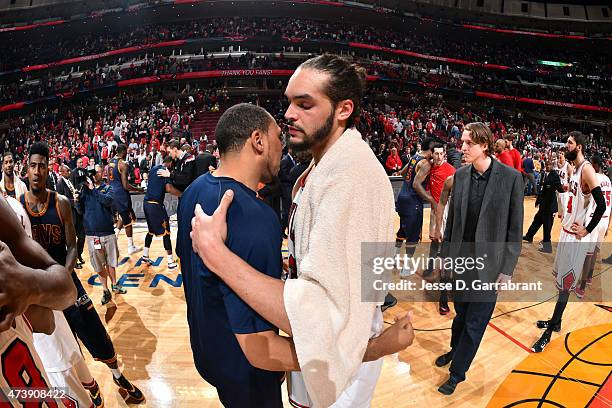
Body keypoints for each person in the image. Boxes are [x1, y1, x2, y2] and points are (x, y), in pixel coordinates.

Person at [189, 56, 414, 407]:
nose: (290, 114)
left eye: (304, 104)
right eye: (290, 102)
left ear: (343, 110)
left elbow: (327, 317)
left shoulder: (351, 177)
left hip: (336, 356)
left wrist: (217, 254)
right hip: (317, 345)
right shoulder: (324, 165)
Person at [20, 143, 144, 403]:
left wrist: (65, 274)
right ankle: (89, 386)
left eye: (42, 166)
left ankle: (117, 375)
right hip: (40, 289)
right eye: (33, 165)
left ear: (48, 168)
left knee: (95, 332)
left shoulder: (60, 202)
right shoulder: (18, 209)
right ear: (26, 167)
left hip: (65, 279)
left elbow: (73, 244)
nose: (37, 171)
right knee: (62, 347)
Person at [436, 122, 523, 395]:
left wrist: (507, 269)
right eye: (461, 142)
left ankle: (457, 373)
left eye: (467, 143)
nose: (461, 148)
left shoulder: (510, 178)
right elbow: (451, 225)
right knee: (461, 315)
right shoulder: (460, 176)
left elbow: (515, 229)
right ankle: (454, 350)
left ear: (484, 145)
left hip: (490, 265)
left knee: (475, 322)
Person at [8, 193, 103, 408]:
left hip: (38, 334)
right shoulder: (13, 205)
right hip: (43, 318)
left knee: (63, 378)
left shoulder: (13, 207)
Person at [531, 132, 607, 352]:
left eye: (570, 143)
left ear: (580, 147)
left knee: (565, 286)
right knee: (560, 282)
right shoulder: (574, 169)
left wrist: (587, 229)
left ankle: (548, 333)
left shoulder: (588, 170)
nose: (567, 146)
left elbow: (601, 205)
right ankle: (556, 322)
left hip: (576, 238)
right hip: (565, 232)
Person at [0, 193, 76, 406]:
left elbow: (48, 319)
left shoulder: (57, 202)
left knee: (72, 365)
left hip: (30, 392)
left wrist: (30, 286)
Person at [81, 164, 127, 304]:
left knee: (111, 262)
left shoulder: (109, 188)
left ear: (102, 173)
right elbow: (79, 209)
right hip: (93, 235)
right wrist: (77, 199)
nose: (95, 175)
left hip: (107, 232)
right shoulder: (85, 190)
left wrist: (93, 190)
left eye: (97, 172)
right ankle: (105, 290)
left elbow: (107, 201)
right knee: (99, 265)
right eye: (93, 172)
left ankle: (114, 285)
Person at [395, 139, 434, 277]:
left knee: (403, 229)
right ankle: (406, 268)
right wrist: (431, 199)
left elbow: (402, 173)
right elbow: (416, 185)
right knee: (413, 236)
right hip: (413, 201)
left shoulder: (414, 157)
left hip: (402, 197)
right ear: (430, 151)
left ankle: (394, 256)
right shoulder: (425, 164)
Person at [142, 156, 182, 268]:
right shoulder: (165, 171)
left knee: (150, 230)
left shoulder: (154, 168)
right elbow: (169, 189)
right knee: (166, 231)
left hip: (146, 203)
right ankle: (170, 261)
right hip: (156, 205)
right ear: (169, 163)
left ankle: (145, 255)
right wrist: (182, 194)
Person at [578, 155, 611, 291]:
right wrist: (608, 224)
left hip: (595, 219)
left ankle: (582, 287)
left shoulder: (594, 177)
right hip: (605, 219)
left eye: (591, 164)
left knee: (588, 255)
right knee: (595, 252)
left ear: (595, 166)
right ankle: (590, 278)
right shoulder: (608, 180)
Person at [424, 143, 455, 278]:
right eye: (436, 153)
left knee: (447, 240)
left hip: (446, 208)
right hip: (434, 209)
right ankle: (430, 267)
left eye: (441, 153)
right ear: (432, 154)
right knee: (434, 239)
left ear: (444, 154)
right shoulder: (428, 166)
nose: (439, 156)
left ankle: (447, 271)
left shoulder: (450, 169)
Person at [523, 160, 565, 253]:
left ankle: (547, 247)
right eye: (546, 164)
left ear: (553, 166)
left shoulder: (554, 175)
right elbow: (542, 190)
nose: (547, 166)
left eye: (549, 164)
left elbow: (559, 188)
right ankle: (529, 236)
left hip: (549, 207)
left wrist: (565, 188)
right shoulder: (544, 174)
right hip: (543, 204)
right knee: (537, 221)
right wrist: (538, 201)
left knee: (547, 226)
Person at [109, 144, 144, 255]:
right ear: (123, 151)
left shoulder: (110, 161)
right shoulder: (123, 164)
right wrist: (138, 190)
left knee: (122, 216)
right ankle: (130, 246)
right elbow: (125, 185)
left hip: (112, 192)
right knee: (128, 220)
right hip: (121, 194)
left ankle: (115, 237)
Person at [56, 164, 86, 269]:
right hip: (69, 213)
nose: (70, 172)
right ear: (62, 172)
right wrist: (73, 201)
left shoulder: (70, 181)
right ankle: (73, 262)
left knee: (82, 235)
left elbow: (72, 193)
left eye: (69, 170)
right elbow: (59, 199)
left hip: (77, 211)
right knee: (71, 240)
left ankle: (78, 255)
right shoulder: (60, 183)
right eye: (67, 171)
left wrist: (77, 194)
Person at [555, 151, 573, 221]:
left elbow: (572, 178)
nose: (560, 155)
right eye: (559, 153)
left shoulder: (568, 165)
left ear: (565, 157)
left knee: (565, 207)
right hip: (556, 188)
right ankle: (561, 218)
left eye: (562, 154)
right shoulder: (555, 163)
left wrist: (569, 185)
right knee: (558, 207)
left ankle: (565, 220)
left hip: (563, 189)